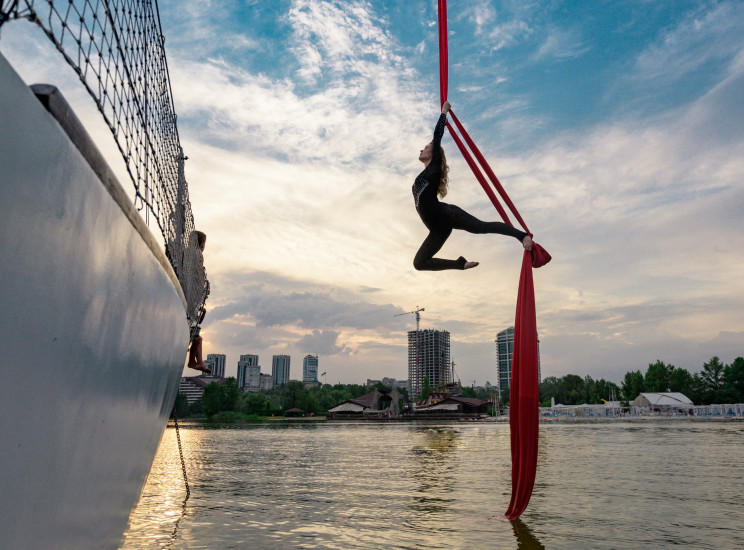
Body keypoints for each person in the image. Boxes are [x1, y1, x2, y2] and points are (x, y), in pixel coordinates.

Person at [412, 101, 532, 271]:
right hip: (437, 229)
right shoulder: (423, 175)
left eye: (426, 147)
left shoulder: (435, 167)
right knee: (419, 263)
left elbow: (437, 136)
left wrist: (444, 113)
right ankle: (460, 264)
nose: (421, 149)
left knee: (482, 227)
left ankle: (522, 236)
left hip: (448, 215)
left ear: (435, 153)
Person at [187, 230, 211, 373]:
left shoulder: (188, 253)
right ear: (201, 244)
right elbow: (197, 278)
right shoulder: (197, 255)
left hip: (192, 300)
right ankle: (194, 363)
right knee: (197, 336)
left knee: (198, 338)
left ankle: (197, 363)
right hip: (192, 299)